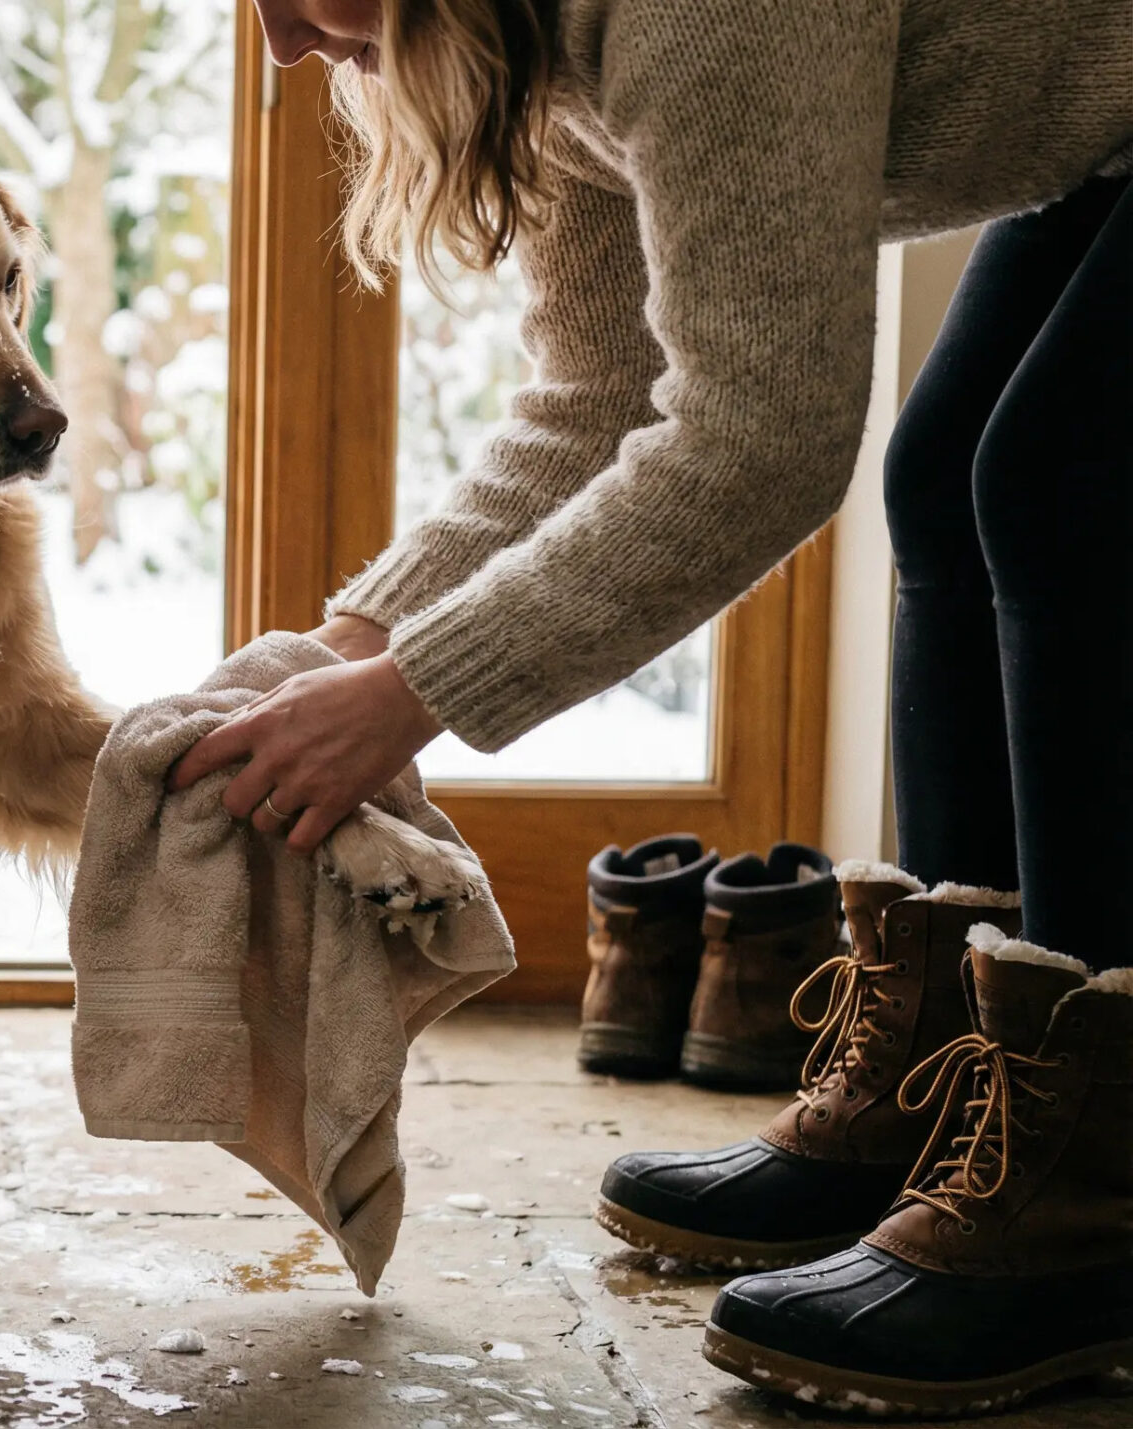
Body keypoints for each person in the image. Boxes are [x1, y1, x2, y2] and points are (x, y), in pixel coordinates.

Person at [169, 0, 1133, 1415]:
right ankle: (941, 1089)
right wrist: (357, 640)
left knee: (1054, 491)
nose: (284, 45)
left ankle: (1095, 1187)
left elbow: (760, 439)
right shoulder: (537, 37)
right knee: (947, 481)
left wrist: (409, 696)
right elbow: (598, 394)